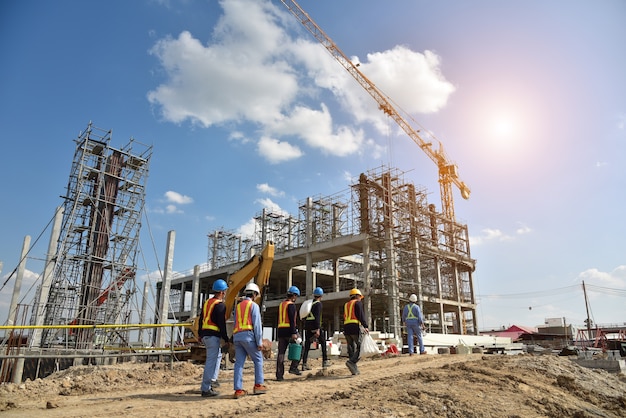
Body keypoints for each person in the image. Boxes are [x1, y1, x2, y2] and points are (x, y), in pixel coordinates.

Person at [232, 282, 268, 399]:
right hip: (248, 336)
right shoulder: (254, 306)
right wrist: (259, 343)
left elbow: (235, 322)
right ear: (254, 294)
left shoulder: (238, 306)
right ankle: (258, 385)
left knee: (239, 364)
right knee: (258, 359)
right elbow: (257, 325)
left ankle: (238, 390)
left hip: (237, 336)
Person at [198, 279, 230, 397]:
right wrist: (226, 339)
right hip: (213, 336)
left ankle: (212, 381)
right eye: (225, 291)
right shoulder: (220, 305)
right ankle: (206, 388)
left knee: (217, 356)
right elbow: (221, 323)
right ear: (222, 292)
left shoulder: (207, 303)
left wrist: (200, 334)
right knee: (211, 362)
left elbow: (201, 319)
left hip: (206, 335)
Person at [302, 287, 331, 370]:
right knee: (323, 342)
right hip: (315, 326)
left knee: (307, 345)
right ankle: (325, 361)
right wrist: (317, 329)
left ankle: (304, 364)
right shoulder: (318, 304)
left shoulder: (309, 304)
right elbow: (317, 317)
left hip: (308, 326)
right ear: (321, 296)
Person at [275, 285, 301, 380]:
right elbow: (291, 320)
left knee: (281, 353)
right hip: (289, 331)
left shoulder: (281, 304)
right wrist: (294, 332)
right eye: (296, 296)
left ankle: (279, 375)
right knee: (300, 345)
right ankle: (294, 367)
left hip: (281, 331)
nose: (296, 298)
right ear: (293, 296)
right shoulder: (291, 305)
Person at [343, 288, 369, 375]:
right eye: (359, 297)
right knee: (360, 347)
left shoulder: (346, 304)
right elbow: (360, 315)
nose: (360, 299)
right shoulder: (357, 303)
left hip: (346, 328)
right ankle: (352, 362)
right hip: (354, 327)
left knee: (351, 348)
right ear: (357, 296)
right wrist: (365, 326)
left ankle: (353, 368)